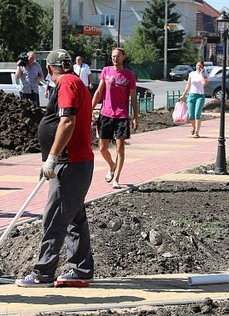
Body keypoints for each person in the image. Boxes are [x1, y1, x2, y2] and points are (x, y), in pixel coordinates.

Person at [16, 49, 95, 287]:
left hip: (69, 163)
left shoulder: (68, 84)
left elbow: (67, 120)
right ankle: (82, 270)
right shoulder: (75, 81)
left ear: (49, 69)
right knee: (74, 217)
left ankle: (44, 273)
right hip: (74, 162)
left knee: (54, 218)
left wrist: (52, 156)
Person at [92, 47, 138, 189]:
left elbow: (133, 98)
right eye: (113, 56)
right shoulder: (106, 71)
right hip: (106, 114)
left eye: (117, 56)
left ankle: (116, 179)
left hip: (122, 115)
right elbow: (99, 92)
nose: (114, 58)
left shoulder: (129, 75)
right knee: (102, 148)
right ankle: (112, 165)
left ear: (123, 57)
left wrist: (135, 116)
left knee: (120, 148)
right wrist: (90, 109)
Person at [180, 61, 208, 138]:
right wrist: (183, 95)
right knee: (191, 115)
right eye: (197, 65)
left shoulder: (205, 75)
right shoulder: (192, 74)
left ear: (203, 67)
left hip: (200, 96)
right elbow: (188, 85)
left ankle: (197, 132)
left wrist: (201, 74)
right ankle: (195, 128)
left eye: (200, 66)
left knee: (197, 114)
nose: (198, 67)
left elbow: (203, 83)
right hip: (191, 95)